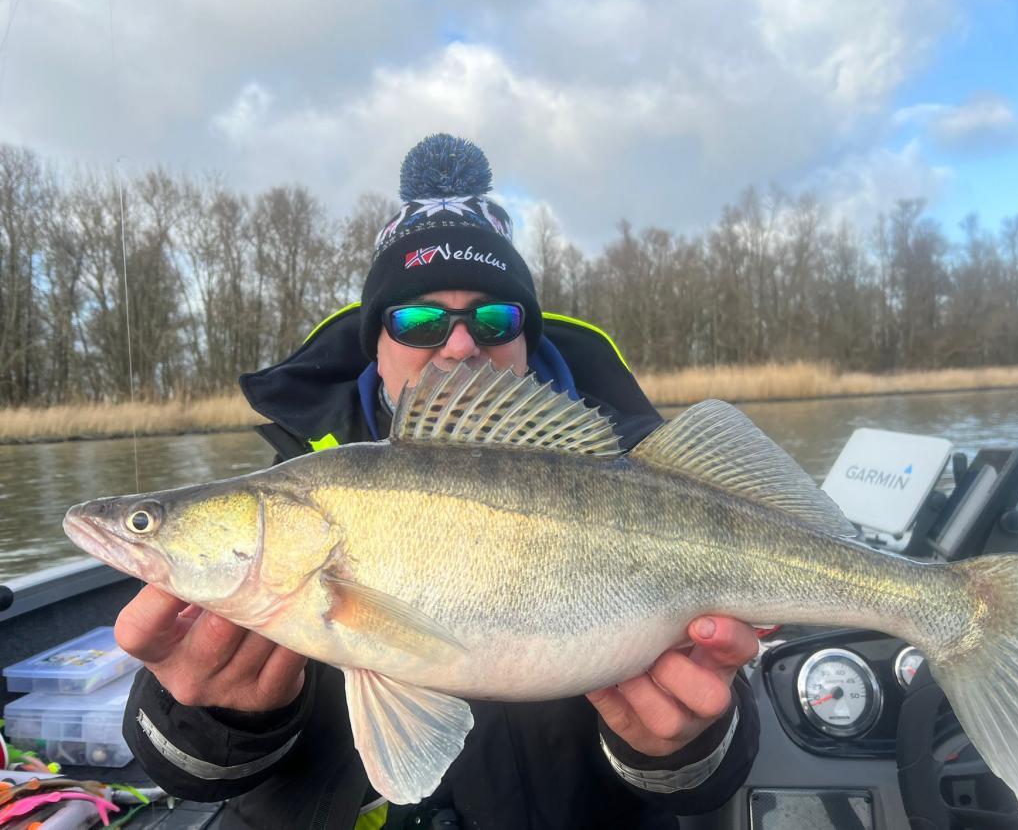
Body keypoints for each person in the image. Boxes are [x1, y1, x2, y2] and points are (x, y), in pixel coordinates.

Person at [114, 135, 761, 829]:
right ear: (376, 341)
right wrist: (213, 718)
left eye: (495, 317)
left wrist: (684, 744)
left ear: (526, 336)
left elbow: (702, 780)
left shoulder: (648, 484)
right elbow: (186, 774)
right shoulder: (293, 495)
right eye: (419, 319)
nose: (460, 345)